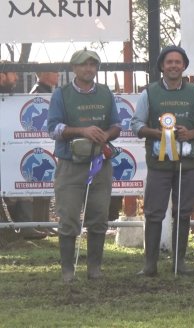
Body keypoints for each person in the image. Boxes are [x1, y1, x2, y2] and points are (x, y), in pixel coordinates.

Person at [131, 45, 194, 276]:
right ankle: (150, 264)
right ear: (162, 67)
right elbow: (136, 124)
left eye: (178, 62)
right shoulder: (149, 92)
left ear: (184, 66)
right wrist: (157, 134)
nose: (174, 65)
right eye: (169, 62)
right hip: (158, 163)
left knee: (184, 211)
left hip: (187, 162)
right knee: (154, 212)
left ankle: (179, 262)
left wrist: (192, 134)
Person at [47, 49, 121, 282]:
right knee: (68, 217)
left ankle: (94, 269)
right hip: (70, 165)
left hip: (100, 164)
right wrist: (82, 130)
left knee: (99, 217)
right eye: (83, 65)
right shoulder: (62, 94)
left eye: (93, 64)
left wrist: (106, 135)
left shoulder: (106, 93)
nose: (89, 69)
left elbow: (117, 125)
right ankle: (68, 271)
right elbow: (53, 129)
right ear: (74, 68)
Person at [1, 61, 47, 240]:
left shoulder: (13, 97)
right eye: (13, 74)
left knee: (20, 187)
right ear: (2, 76)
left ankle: (26, 228)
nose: (17, 78)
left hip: (12, 150)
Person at [30, 71, 60, 237]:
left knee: (47, 186)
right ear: (43, 75)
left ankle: (45, 223)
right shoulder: (38, 92)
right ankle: (38, 224)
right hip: (39, 144)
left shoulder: (47, 91)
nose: (58, 75)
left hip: (47, 142)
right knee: (39, 188)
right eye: (54, 72)